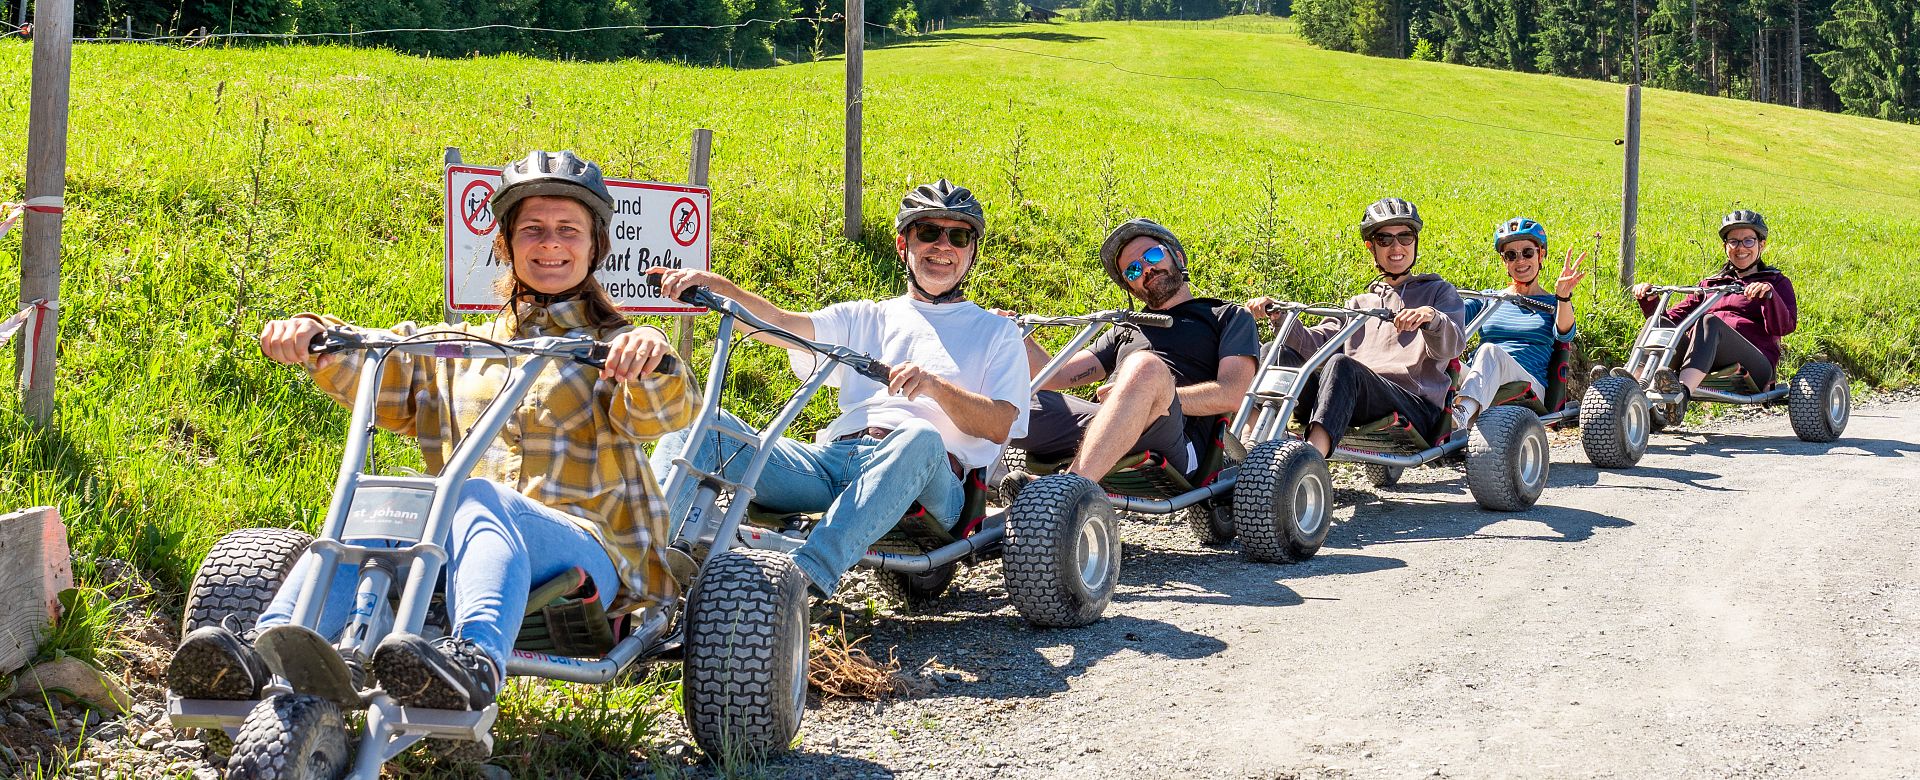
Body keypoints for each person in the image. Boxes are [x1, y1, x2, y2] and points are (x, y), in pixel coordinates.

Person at [167, 151, 696, 738]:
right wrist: (312, 334)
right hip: (457, 547)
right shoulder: (459, 348)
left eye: (567, 230)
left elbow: (667, 409)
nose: (550, 244)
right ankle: (262, 654)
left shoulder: (614, 348)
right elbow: (377, 363)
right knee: (383, 501)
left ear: (594, 246)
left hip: (586, 559)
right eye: (533, 230)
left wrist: (649, 353)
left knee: (470, 494)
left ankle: (475, 663)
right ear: (507, 245)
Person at [649, 179, 1029, 598]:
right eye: (928, 232)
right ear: (904, 245)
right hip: (835, 461)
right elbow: (783, 325)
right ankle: (637, 571)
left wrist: (936, 387)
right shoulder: (866, 316)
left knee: (919, 436)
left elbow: (998, 425)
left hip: (932, 477)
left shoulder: (997, 332)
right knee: (698, 425)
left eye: (958, 236)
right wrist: (721, 288)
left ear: (971, 251)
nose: (943, 246)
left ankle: (800, 580)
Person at [1004, 218, 1259, 483]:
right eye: (1134, 271)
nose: (1146, 268)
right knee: (1013, 397)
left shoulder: (1227, 316)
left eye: (1153, 255)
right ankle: (967, 493)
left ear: (1178, 258)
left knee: (1144, 368)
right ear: (1132, 289)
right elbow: (1055, 376)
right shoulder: (1127, 328)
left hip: (1175, 438)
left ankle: (1069, 487)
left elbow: (1231, 394)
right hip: (1105, 423)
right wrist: (1013, 335)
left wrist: (1141, 394)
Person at [1246, 197, 1464, 455]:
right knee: (1275, 350)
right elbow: (1312, 346)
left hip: (1413, 404)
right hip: (1352, 397)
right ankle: (1254, 442)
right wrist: (1280, 317)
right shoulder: (1360, 303)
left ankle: (1310, 458)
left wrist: (1432, 318)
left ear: (1415, 242)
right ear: (1371, 248)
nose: (1397, 246)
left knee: (1342, 365)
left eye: (1405, 237)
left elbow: (1452, 346)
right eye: (1385, 239)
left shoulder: (1439, 292)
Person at [1631, 209, 1797, 401]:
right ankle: (1632, 387)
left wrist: (1768, 296)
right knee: (1656, 322)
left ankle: (1681, 396)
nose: (1740, 248)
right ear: (1725, 247)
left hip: (1755, 365)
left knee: (1709, 322)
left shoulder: (1774, 282)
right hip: (1703, 359)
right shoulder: (1710, 285)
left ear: (1762, 244)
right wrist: (1649, 301)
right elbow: (1672, 324)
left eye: (1748, 240)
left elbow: (1784, 328)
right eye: (1733, 241)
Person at [1451, 217, 1586, 428]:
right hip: (1479, 378)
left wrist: (1563, 296)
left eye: (1527, 253)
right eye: (1511, 255)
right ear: (1504, 262)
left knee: (1490, 351)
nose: (1520, 261)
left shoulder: (1552, 303)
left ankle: (1460, 418)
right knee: (1437, 356)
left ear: (1541, 255)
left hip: (1529, 384)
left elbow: (1564, 334)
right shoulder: (1490, 299)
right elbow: (1451, 316)